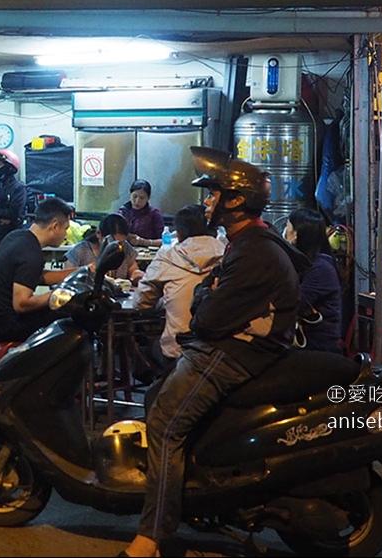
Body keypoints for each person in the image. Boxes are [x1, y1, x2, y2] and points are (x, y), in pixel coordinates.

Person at [120, 148, 301, 558]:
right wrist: (207, 292)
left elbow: (207, 321)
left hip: (234, 352)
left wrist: (207, 298)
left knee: (165, 423)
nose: (207, 202)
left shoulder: (254, 250)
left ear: (234, 201)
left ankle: (152, 537)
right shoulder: (249, 242)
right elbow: (208, 298)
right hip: (235, 346)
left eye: (213, 194)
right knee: (157, 398)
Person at [128, 204, 225, 370]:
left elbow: (141, 303)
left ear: (178, 235)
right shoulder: (232, 255)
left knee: (143, 347)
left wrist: (166, 300)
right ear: (215, 231)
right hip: (222, 353)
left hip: (179, 352)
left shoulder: (167, 257)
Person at [0, 197, 74, 345]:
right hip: (3, 325)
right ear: (54, 226)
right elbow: (21, 304)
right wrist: (59, 295)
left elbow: (35, 277)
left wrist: (82, 271)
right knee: (69, 316)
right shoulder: (31, 254)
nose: (65, 235)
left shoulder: (17, 236)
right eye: (65, 229)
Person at [285, 207, 343, 354]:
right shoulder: (305, 263)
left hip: (318, 347)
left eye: (287, 227)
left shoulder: (321, 269)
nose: (285, 232)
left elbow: (295, 302)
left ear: (296, 235)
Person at [63, 213, 140, 281]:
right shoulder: (80, 251)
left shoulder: (125, 248)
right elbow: (67, 279)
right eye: (112, 243)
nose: (118, 246)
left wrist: (137, 274)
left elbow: (133, 269)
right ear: (98, 233)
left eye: (122, 242)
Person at [118, 179, 166, 248]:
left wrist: (143, 242)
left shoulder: (154, 214)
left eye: (142, 198)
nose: (137, 201)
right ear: (130, 194)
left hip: (148, 254)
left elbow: (164, 241)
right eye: (134, 196)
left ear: (148, 198)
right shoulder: (123, 212)